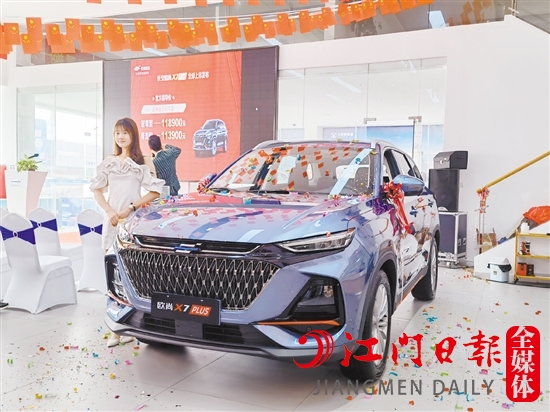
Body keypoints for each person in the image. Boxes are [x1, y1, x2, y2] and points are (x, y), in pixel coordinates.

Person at [90, 118, 165, 347]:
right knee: (112, 275)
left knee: (133, 275)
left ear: (133, 135)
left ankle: (133, 327)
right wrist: (110, 210)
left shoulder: (143, 160)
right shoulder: (109, 161)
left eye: (125, 132)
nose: (121, 137)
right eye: (117, 133)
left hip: (133, 221)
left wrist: (131, 207)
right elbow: (97, 190)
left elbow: (155, 192)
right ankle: (115, 329)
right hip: (112, 220)